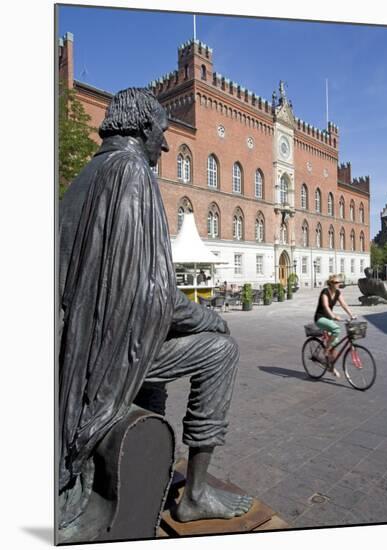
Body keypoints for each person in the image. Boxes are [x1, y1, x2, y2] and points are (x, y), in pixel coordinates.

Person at [59, 87, 252, 530]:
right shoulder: (132, 174)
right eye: (162, 133)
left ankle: (144, 470)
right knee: (220, 351)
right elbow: (156, 296)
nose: (165, 145)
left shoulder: (87, 176)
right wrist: (209, 317)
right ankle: (196, 495)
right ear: (145, 127)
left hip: (79, 356)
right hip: (103, 362)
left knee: (152, 344)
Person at [314, 274, 356, 377]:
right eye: (337, 282)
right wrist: (333, 316)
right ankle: (325, 350)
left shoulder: (338, 293)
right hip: (320, 318)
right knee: (336, 329)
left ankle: (331, 367)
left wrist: (351, 314)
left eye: (340, 282)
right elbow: (325, 306)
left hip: (328, 319)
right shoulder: (325, 292)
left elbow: (344, 304)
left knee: (335, 343)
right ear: (331, 283)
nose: (339, 284)